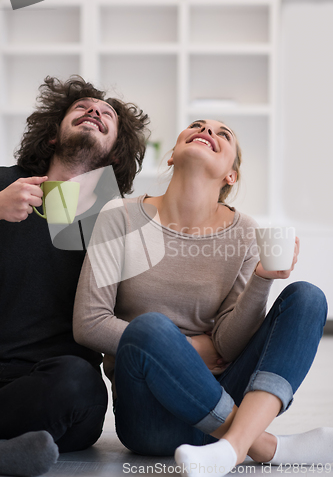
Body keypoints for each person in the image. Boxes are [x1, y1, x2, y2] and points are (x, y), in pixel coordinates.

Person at [73, 119, 330, 477]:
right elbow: (89, 322)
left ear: (231, 176)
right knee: (150, 328)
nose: (207, 131)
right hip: (149, 418)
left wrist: (261, 279)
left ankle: (232, 447)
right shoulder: (120, 217)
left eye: (222, 134)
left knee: (307, 297)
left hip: (220, 390)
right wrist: (188, 349)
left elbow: (227, 343)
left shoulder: (246, 232)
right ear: (170, 157)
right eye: (197, 126)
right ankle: (261, 444)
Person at [0, 75, 149, 476]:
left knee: (78, 382)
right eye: (81, 108)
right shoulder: (3, 183)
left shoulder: (121, 221)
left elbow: (143, 312)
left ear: (116, 154)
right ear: (52, 136)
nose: (94, 112)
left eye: (107, 115)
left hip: (53, 385)